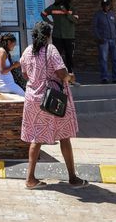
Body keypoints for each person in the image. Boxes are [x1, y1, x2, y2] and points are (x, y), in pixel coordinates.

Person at [21, 21, 82, 189]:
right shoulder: (50, 49)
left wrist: (38, 79)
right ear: (48, 35)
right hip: (52, 99)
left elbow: (24, 74)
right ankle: (73, 178)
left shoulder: (27, 51)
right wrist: (71, 78)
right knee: (64, 136)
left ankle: (30, 179)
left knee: (36, 138)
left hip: (33, 99)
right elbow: (61, 73)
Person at [41, 0, 78, 76]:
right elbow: (43, 14)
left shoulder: (71, 7)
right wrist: (50, 22)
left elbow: (75, 20)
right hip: (57, 35)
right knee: (56, 55)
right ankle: (57, 74)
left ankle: (70, 74)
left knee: (69, 56)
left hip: (69, 36)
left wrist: (66, 12)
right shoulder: (52, 7)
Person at [94, 0, 116, 84]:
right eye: (104, 5)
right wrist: (98, 38)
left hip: (114, 40)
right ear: (102, 6)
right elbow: (95, 27)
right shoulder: (98, 15)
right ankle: (104, 78)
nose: (106, 7)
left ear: (109, 6)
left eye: (107, 5)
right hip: (104, 41)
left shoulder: (112, 14)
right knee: (103, 59)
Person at [0, 33, 25, 97]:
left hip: (3, 84)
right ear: (8, 42)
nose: (14, 47)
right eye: (13, 44)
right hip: (6, 84)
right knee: (25, 97)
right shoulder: (2, 52)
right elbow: (2, 71)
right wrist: (14, 65)